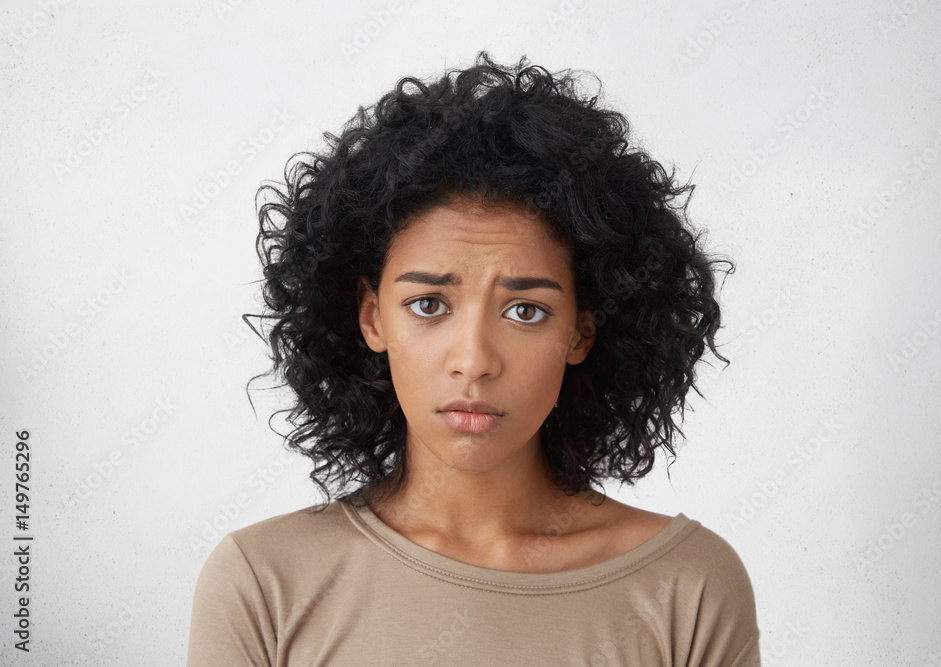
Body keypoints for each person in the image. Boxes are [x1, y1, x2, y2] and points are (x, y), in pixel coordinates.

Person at [187, 51, 760, 666]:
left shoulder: (687, 587)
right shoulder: (264, 584)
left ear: (581, 332)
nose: (474, 360)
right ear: (372, 317)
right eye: (429, 304)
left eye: (525, 311)